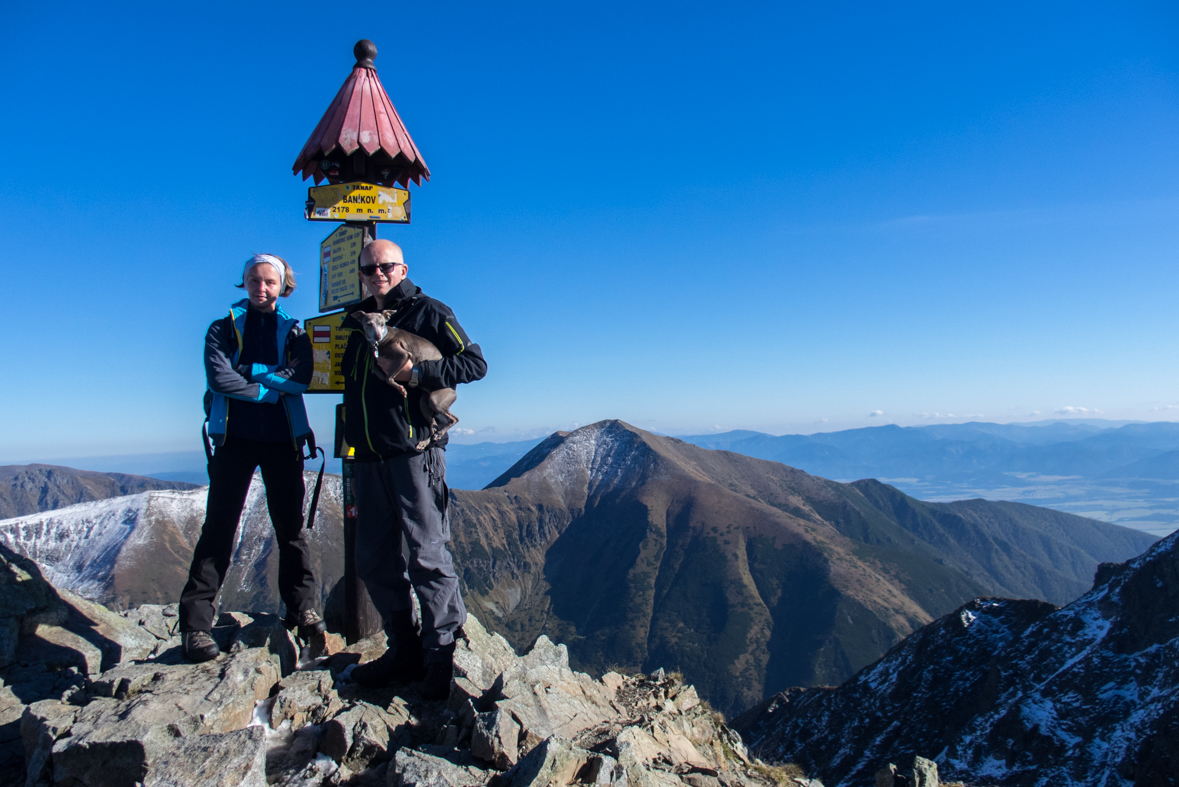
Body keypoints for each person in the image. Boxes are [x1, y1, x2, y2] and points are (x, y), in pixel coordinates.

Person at [342, 239, 486, 697]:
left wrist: (418, 376)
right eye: (369, 269)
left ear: (402, 268)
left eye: (385, 266)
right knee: (372, 558)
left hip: (414, 452)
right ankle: (403, 648)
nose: (377, 274)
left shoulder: (430, 312)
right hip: (367, 456)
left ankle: (440, 657)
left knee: (426, 553)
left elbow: (475, 364)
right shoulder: (357, 320)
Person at [179, 254, 326, 663]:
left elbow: (301, 378)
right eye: (253, 280)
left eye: (269, 282)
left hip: (282, 440)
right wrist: (270, 383)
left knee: (291, 528)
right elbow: (218, 378)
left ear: (283, 286)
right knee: (220, 528)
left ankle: (301, 608)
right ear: (243, 283)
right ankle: (194, 626)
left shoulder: (294, 331)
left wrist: (248, 373)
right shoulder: (221, 328)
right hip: (235, 439)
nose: (261, 288)